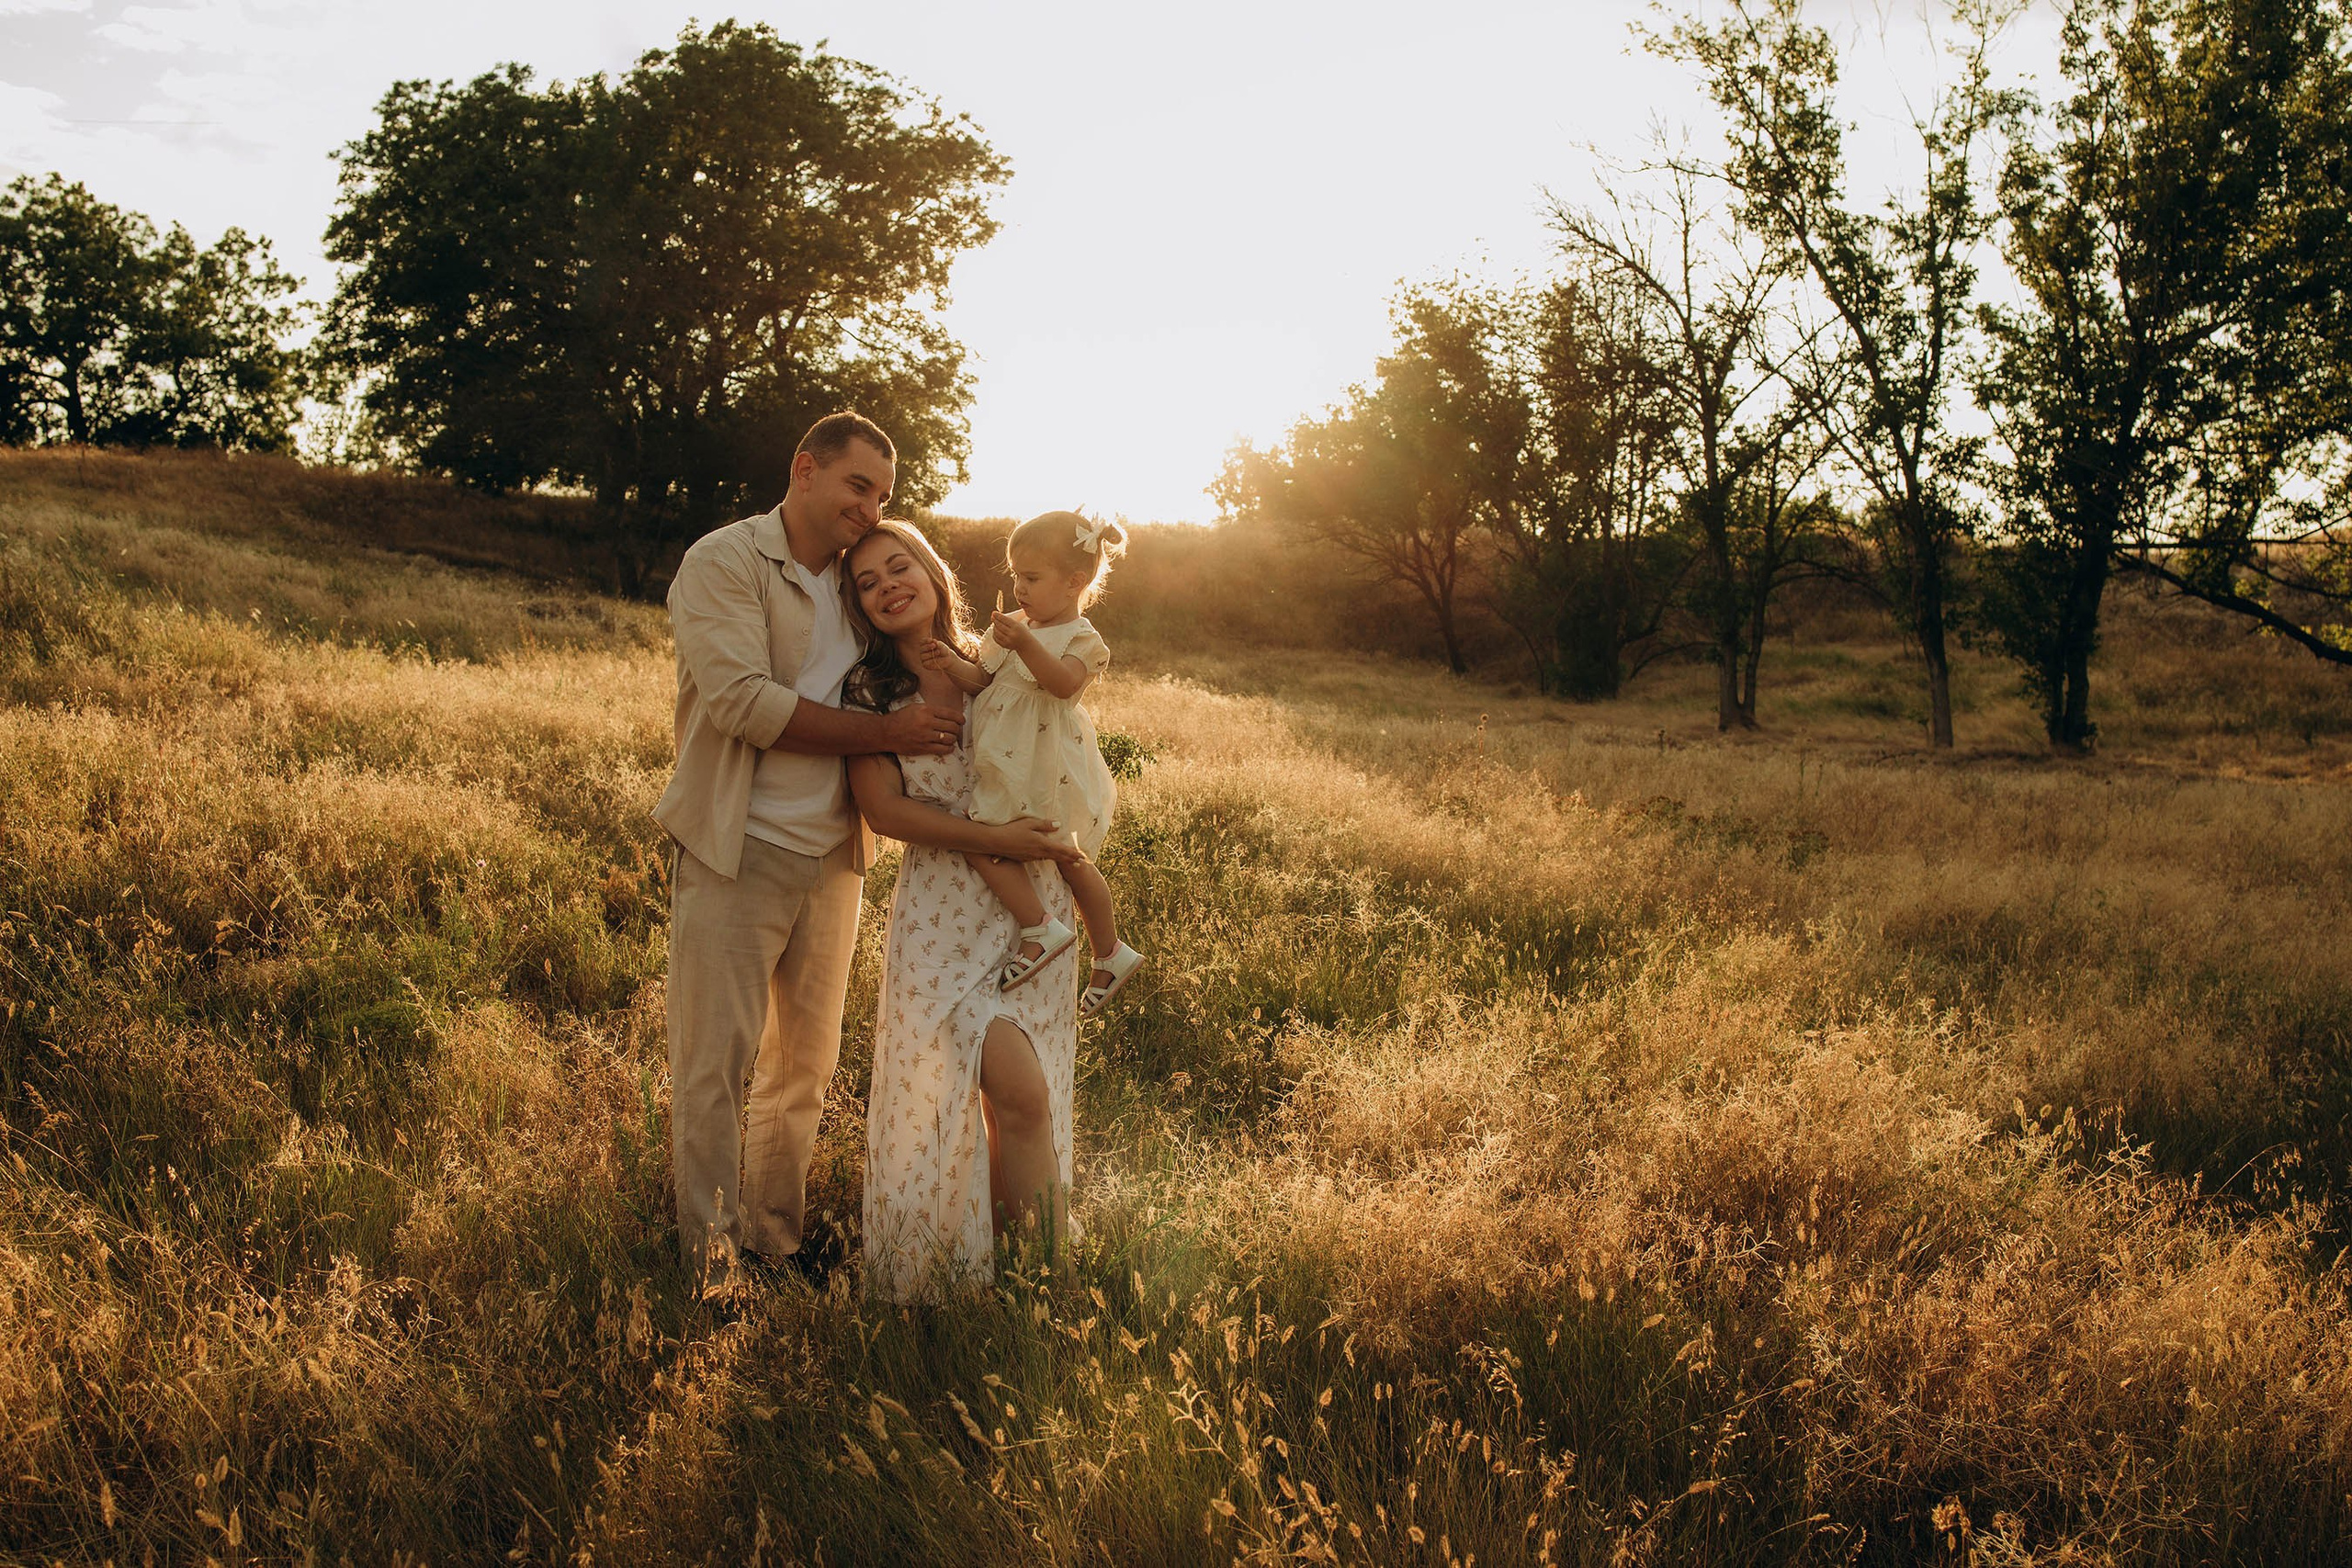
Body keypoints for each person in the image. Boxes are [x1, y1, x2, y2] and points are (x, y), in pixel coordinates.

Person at [653, 412, 1065, 1302]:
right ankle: (712, 1271)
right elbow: (740, 703)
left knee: (802, 1068)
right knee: (714, 1067)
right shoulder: (725, 561)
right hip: (737, 845)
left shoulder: (851, 576)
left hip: (832, 857)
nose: (869, 506)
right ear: (805, 469)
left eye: (881, 495)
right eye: (857, 485)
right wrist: (885, 732)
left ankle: (770, 1242)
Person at [842, 521, 1091, 1299]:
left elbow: (1061, 740)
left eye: (899, 565)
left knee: (1029, 1097)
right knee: (1001, 1089)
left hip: (1029, 902)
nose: (887, 585)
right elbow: (885, 811)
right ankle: (946, 1272)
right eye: (867, 582)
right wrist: (989, 832)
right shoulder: (867, 690)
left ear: (933, 570)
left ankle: (1037, 1279)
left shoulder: (1001, 655)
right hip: (944, 913)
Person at [920, 511, 1145, 1015]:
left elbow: (1063, 687)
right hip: (1005, 759)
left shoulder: (1082, 639)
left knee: (999, 841)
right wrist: (950, 662)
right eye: (1015, 575)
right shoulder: (1013, 628)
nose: (1019, 588)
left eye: (1032, 578)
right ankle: (1107, 951)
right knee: (1044, 849)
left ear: (1074, 582)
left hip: (1044, 762)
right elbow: (983, 682)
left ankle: (1054, 931)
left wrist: (1024, 644)